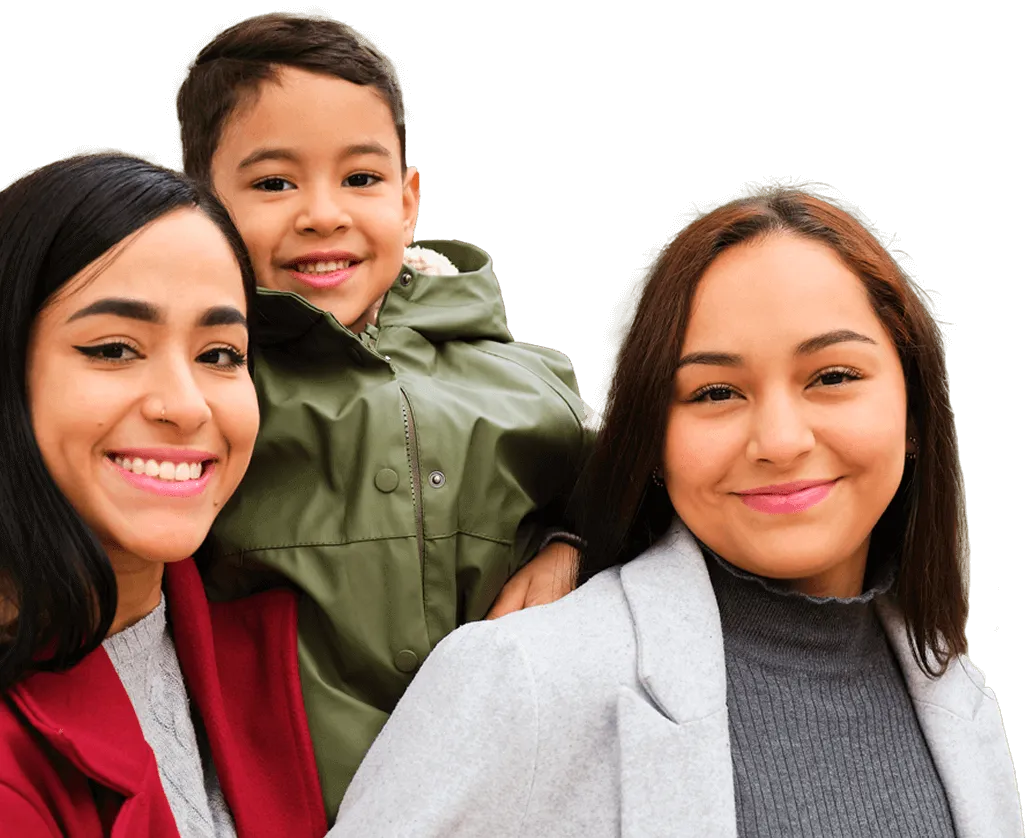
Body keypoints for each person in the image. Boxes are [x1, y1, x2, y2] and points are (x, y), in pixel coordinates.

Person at [328, 191, 1022, 836]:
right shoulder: (524, 679)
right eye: (716, 391)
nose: (779, 441)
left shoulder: (964, 705)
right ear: (654, 439)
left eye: (833, 377)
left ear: (912, 410)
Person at [175, 11, 598, 816]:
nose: (322, 213)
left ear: (409, 202)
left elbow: (642, 476)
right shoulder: (212, 389)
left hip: (521, 800)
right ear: (202, 205)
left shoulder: (515, 374)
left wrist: (578, 543)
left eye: (360, 179)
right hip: (303, 808)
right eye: (274, 183)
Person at [0, 153, 325, 838]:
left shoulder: (288, 642)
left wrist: (568, 544)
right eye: (115, 348)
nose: (186, 406)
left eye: (219, 355)